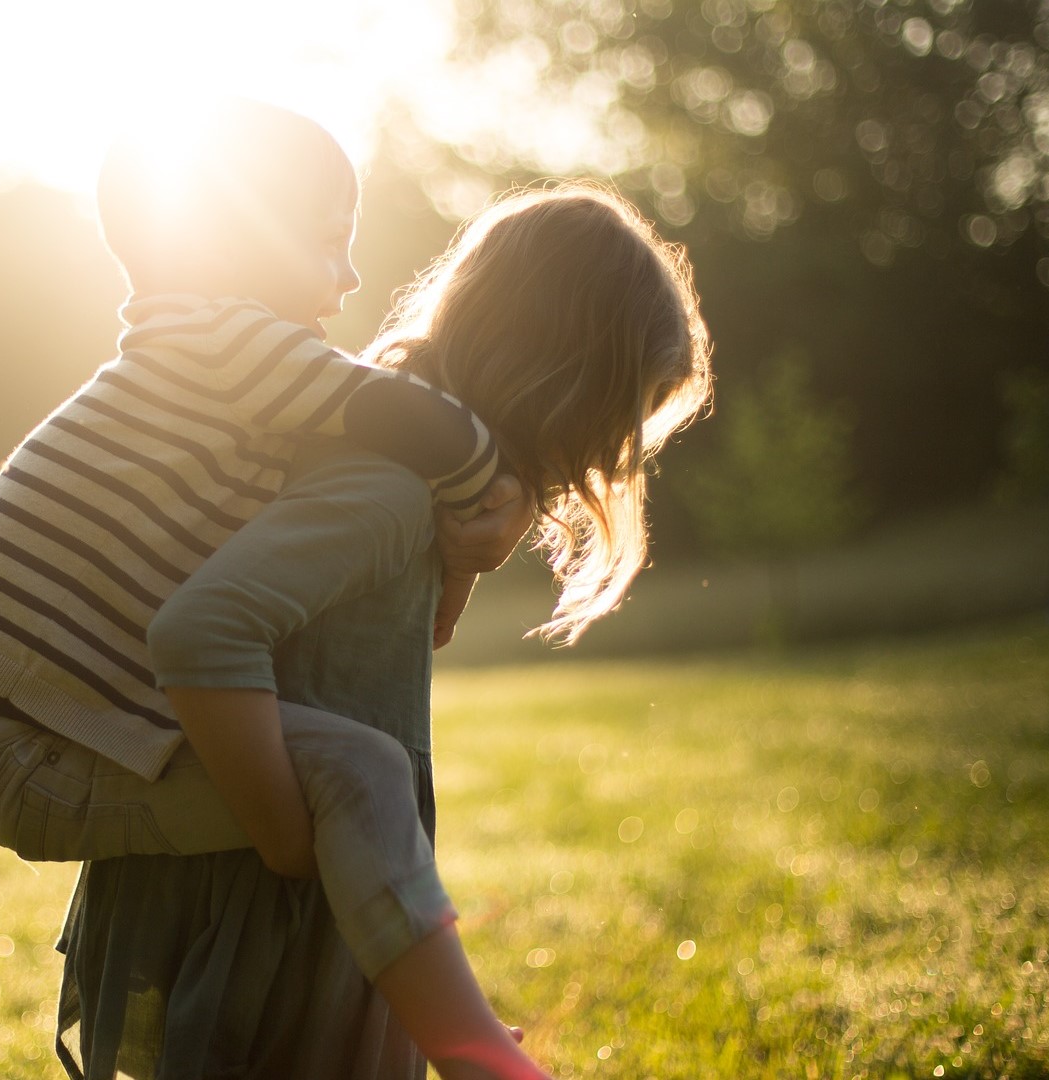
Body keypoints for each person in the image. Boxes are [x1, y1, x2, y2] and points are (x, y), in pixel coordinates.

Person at [0, 100, 546, 1076]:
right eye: (331, 245)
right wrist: (490, 488)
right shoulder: (222, 343)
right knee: (361, 776)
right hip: (33, 742)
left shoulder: (198, 361)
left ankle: (426, 1020)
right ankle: (467, 1049)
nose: (348, 279)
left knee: (347, 781)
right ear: (235, 240)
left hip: (24, 731)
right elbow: (397, 411)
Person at [55, 183, 712, 1078]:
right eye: (614, 419)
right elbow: (205, 632)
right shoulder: (387, 488)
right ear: (560, 379)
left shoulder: (410, 472)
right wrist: (291, 837)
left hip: (306, 883)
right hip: (259, 893)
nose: (604, 457)